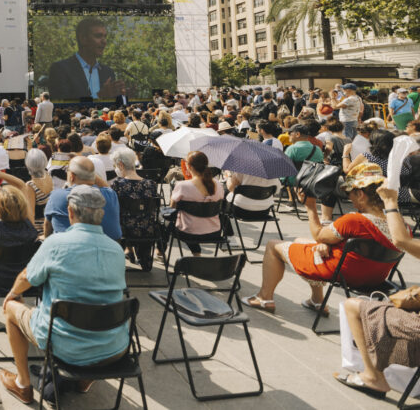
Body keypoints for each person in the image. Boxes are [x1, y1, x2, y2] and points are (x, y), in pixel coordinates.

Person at [0, 185, 128, 404]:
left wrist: (11, 294)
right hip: (114, 349)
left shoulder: (55, 244)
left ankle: (22, 383)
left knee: (11, 307)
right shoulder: (116, 250)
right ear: (102, 215)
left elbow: (25, 278)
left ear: (70, 213)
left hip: (67, 347)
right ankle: (84, 380)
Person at [243, 162, 396, 315]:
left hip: (342, 272)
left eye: (350, 192)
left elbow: (319, 234)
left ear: (361, 195)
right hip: (374, 277)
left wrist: (310, 206)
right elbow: (333, 240)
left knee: (272, 245)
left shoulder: (355, 221)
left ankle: (264, 298)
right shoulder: (399, 225)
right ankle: (317, 300)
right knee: (301, 241)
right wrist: (325, 243)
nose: (349, 196)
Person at [333, 183, 420, 398]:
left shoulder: (354, 220)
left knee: (353, 306)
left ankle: (373, 376)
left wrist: (391, 201)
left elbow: (400, 240)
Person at [44, 156, 122, 241]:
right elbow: (106, 187)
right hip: (109, 249)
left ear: (72, 176)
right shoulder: (110, 194)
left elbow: (47, 227)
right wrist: (89, 173)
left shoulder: (57, 196)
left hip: (69, 250)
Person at [46, 17, 124, 101]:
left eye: (105, 36)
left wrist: (123, 98)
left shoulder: (108, 72)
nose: (104, 41)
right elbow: (60, 105)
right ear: (83, 38)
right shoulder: (60, 69)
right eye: (98, 36)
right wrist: (99, 95)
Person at [169, 151, 225, 255]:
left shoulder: (182, 186)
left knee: (165, 223)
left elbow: (171, 208)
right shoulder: (218, 184)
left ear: (188, 166)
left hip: (188, 233)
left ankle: (159, 252)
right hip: (214, 232)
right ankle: (196, 253)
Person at [112, 147, 158, 269]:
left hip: (124, 230)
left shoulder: (117, 184)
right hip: (147, 229)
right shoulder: (151, 184)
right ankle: (143, 257)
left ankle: (126, 251)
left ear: (120, 165)